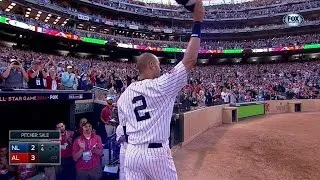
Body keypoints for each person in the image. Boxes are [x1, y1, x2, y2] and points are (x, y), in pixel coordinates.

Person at [116, 1, 204, 179]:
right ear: (150, 65)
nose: (160, 68)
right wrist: (198, 23)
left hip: (132, 153)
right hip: (156, 154)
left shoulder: (123, 96)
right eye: (158, 65)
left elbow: (123, 131)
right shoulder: (160, 85)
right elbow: (190, 60)